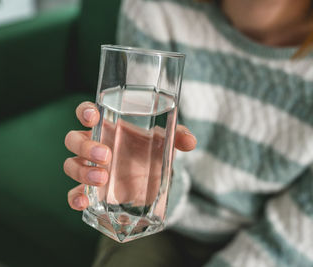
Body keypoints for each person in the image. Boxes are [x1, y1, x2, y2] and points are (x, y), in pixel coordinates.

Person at [63, 0, 313, 266]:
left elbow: (301, 227)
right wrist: (142, 189)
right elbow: (142, 150)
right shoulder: (155, 8)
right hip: (159, 225)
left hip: (275, 244)